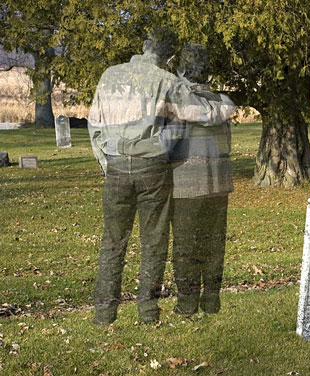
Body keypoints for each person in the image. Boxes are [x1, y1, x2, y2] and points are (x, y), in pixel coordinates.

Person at [88, 29, 236, 325]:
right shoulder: (166, 81)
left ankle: (104, 314)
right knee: (153, 242)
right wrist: (227, 107)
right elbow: (203, 114)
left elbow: (94, 125)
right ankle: (147, 312)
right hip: (152, 166)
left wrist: (108, 162)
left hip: (116, 164)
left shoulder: (110, 74)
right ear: (168, 57)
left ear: (144, 46)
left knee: (113, 241)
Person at [167, 43, 236, 315]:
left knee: (185, 246)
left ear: (183, 68)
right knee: (213, 243)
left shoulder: (175, 101)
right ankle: (211, 301)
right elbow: (226, 144)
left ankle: (186, 304)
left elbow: (165, 144)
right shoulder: (220, 101)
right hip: (219, 183)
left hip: (185, 184)